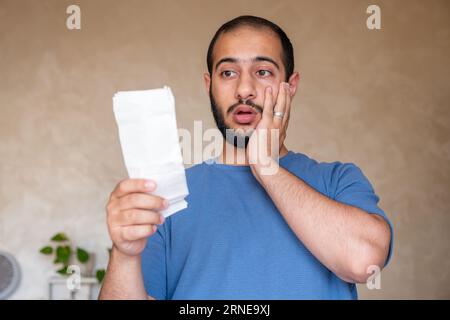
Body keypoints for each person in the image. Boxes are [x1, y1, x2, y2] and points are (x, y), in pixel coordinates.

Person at [99, 15, 393, 300]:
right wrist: (125, 254)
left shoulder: (337, 179)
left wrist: (266, 167)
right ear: (208, 85)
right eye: (228, 72)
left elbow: (362, 262)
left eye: (263, 71)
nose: (244, 89)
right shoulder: (165, 197)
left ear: (290, 86)